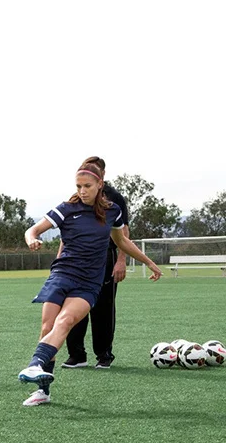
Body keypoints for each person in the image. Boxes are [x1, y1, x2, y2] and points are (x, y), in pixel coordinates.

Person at [19, 162, 162, 406]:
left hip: (88, 282)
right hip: (62, 274)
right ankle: (43, 391)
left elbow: (123, 242)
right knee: (47, 328)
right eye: (78, 186)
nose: (83, 190)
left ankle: (34, 365)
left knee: (64, 322)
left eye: (87, 186)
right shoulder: (66, 209)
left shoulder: (112, 211)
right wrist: (32, 239)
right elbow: (33, 229)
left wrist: (149, 262)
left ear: (99, 186)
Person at [62, 156, 130, 370]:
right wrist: (59, 260)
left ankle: (104, 355)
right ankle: (77, 355)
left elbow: (123, 233)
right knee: (73, 304)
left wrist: (121, 260)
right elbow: (67, 233)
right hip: (77, 260)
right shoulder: (76, 200)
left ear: (102, 177)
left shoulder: (114, 199)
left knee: (103, 307)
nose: (84, 187)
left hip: (105, 257)